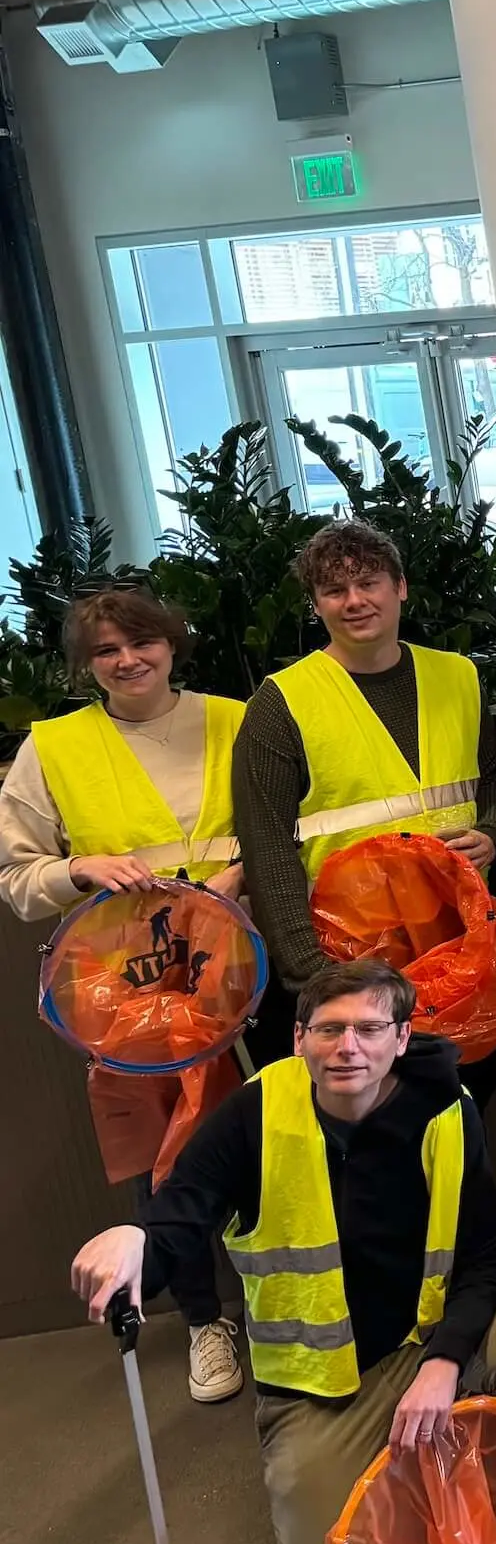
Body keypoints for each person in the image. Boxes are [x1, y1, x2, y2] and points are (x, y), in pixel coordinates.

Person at [68, 960, 496, 1544]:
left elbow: (484, 1259)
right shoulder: (255, 1113)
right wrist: (136, 1238)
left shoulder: (448, 1109)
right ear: (299, 1038)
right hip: (316, 1382)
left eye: (370, 1028)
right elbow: (182, 1209)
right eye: (328, 1030)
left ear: (402, 1037)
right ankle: (401, 1448)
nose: (348, 1048)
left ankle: (449, 1432)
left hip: (422, 1340)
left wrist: (444, 1363)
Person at [3, 588, 248, 1404]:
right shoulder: (54, 748)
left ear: (174, 643)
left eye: (140, 641)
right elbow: (16, 876)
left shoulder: (239, 719)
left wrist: (234, 882)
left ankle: (293, 1305)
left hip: (245, 968)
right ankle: (206, 1318)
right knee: (165, 1157)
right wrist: (78, 870)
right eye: (105, 650)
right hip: (131, 992)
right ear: (87, 664)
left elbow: (281, 825)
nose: (126, 659)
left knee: (280, 1133)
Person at [233, 522, 496, 1059]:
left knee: (465, 1107)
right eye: (334, 590)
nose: (355, 601)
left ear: (400, 586)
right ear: (315, 604)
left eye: (370, 583)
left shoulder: (458, 677)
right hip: (352, 967)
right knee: (371, 1129)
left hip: (462, 951)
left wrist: (494, 833)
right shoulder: (281, 703)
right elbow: (267, 851)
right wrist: (315, 977)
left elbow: (492, 782)